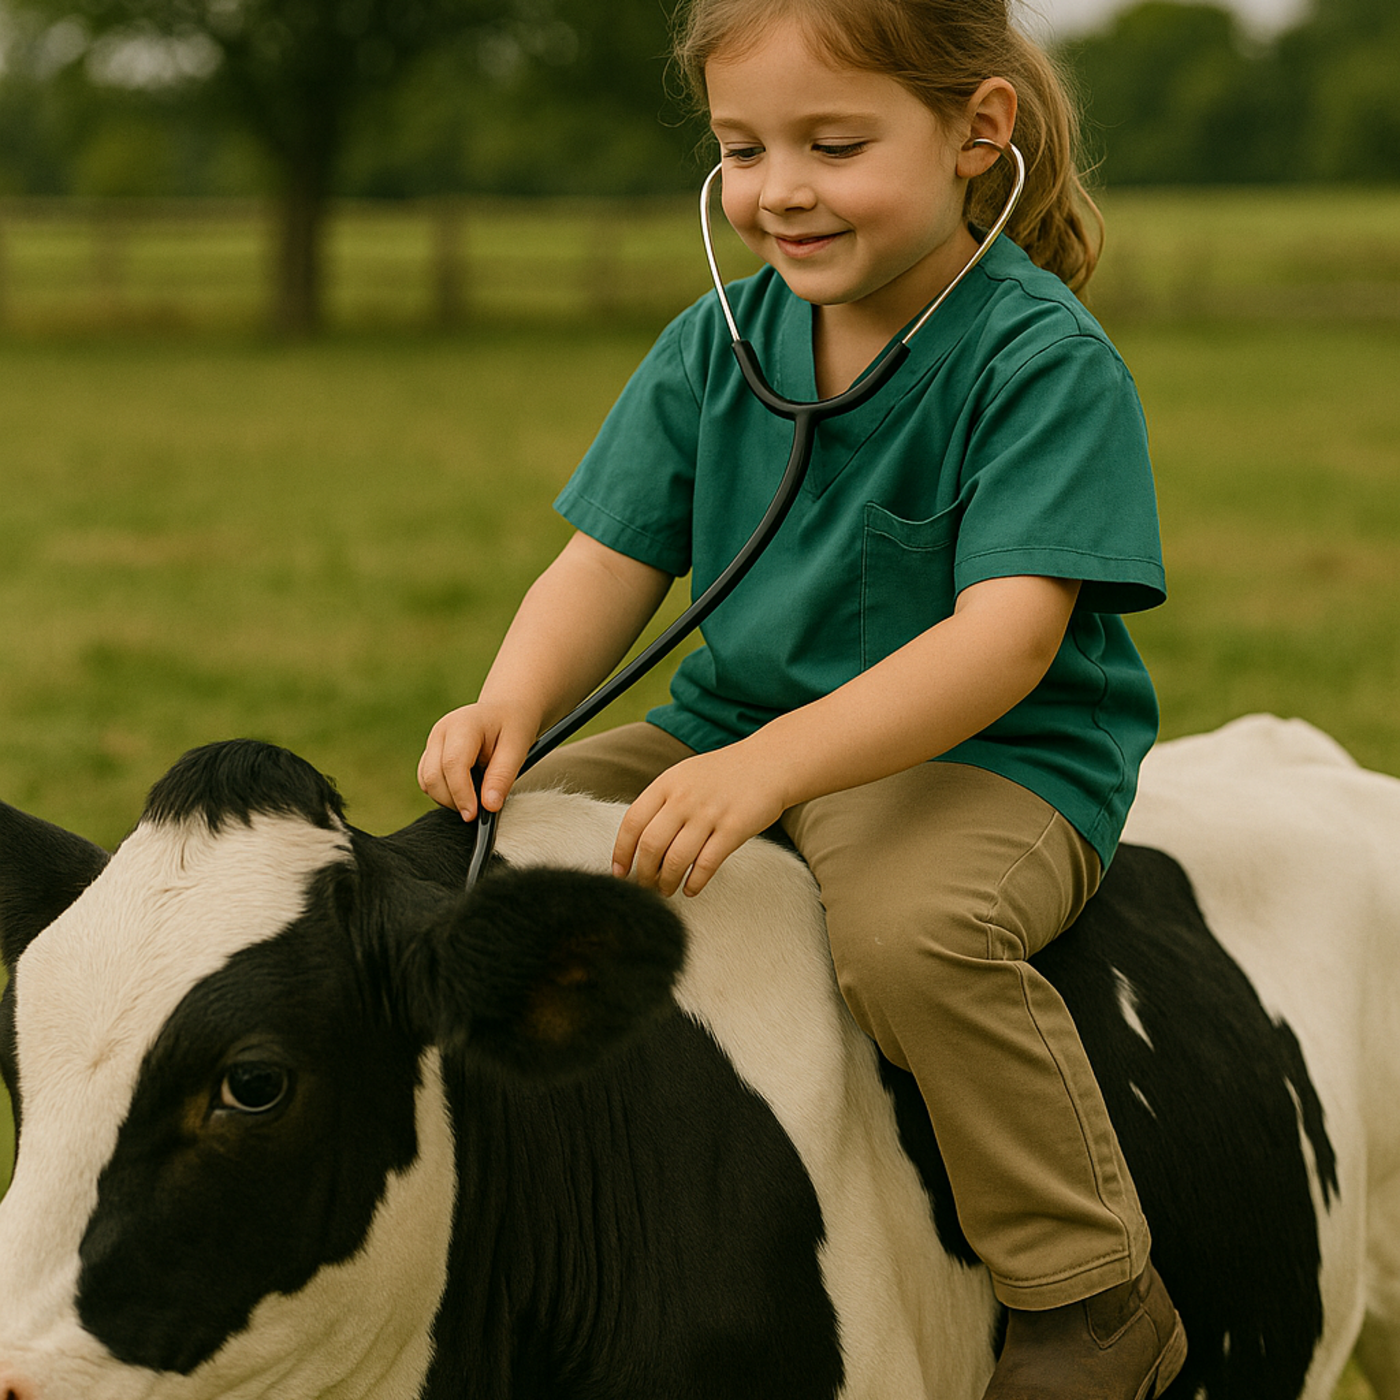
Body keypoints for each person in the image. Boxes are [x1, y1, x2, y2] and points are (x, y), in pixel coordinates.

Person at [418, 0, 1185, 1394]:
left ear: (978, 136)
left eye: (833, 144)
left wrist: (773, 771)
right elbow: (608, 560)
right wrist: (508, 707)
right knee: (482, 856)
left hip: (992, 756)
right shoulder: (718, 342)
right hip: (732, 726)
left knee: (912, 940)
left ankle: (1089, 1293)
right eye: (741, 148)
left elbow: (1003, 644)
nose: (779, 190)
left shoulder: (1040, 360)